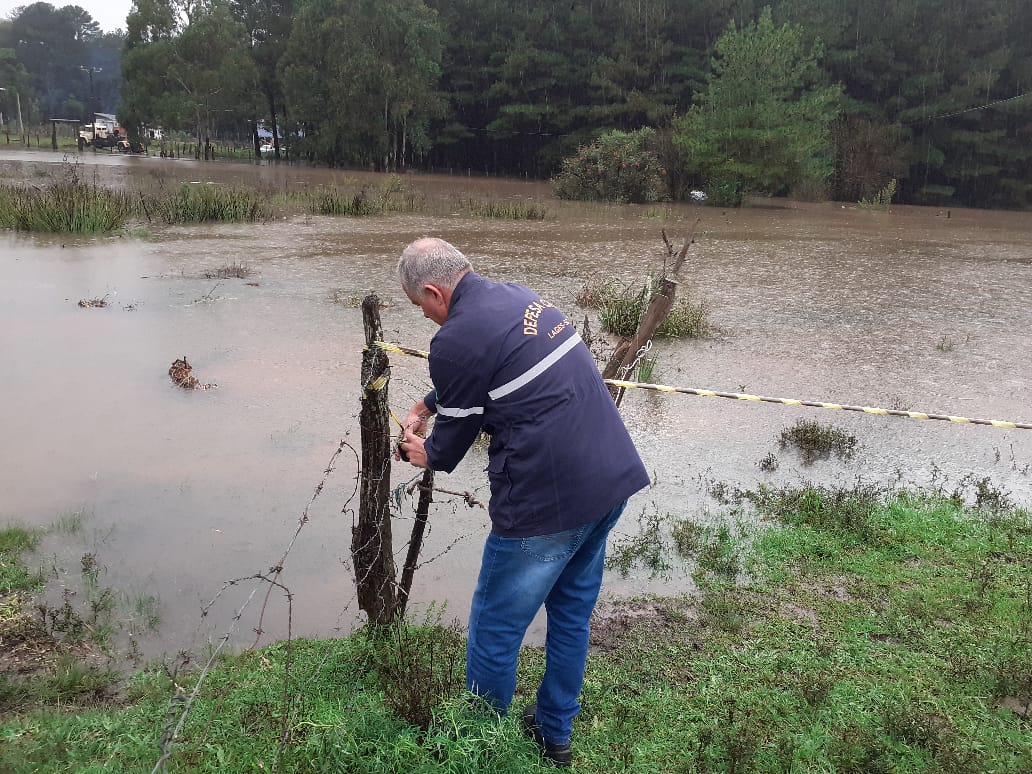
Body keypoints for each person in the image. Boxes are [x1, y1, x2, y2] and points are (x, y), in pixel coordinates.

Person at [396, 237, 649, 767]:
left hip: (545, 506)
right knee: (571, 616)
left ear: (433, 292)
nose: (425, 316)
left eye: (420, 305)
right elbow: (494, 367)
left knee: (496, 629)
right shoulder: (518, 298)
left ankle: (478, 744)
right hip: (608, 484)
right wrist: (429, 402)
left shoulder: (453, 340)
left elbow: (448, 448)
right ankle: (555, 735)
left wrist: (423, 451)